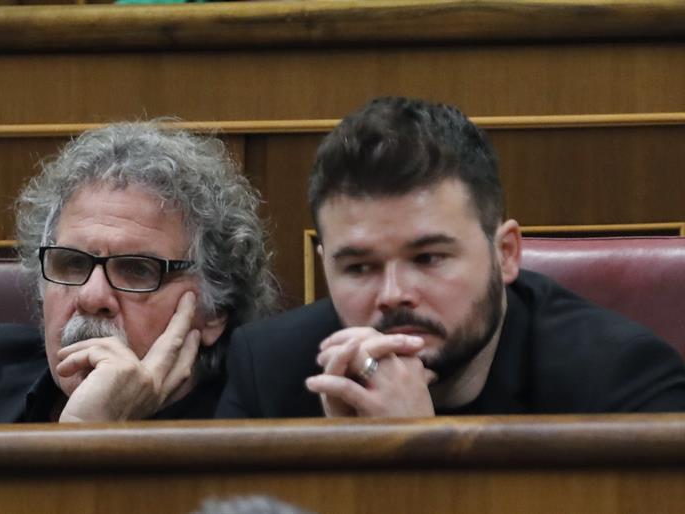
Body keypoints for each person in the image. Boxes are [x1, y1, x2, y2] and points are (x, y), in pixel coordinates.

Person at [217, 96, 685, 418]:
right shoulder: (270, 369)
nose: (394, 295)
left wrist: (421, 457)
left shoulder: (621, 380)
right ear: (325, 266)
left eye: (429, 258)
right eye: (359, 267)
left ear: (505, 254)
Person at [0, 121, 277, 424]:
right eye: (71, 263)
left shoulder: (254, 438)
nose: (91, 297)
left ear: (213, 310)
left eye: (138, 271)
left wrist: (89, 435)